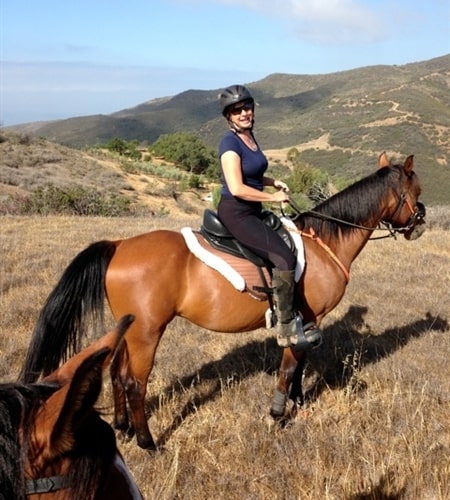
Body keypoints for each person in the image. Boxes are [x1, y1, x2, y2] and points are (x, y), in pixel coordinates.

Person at [217, 84, 304, 348]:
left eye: (247, 107)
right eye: (237, 110)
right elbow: (237, 187)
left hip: (252, 208)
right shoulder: (229, 143)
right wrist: (273, 198)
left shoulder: (250, 136)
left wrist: (272, 181)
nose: (244, 113)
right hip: (237, 211)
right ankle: (285, 324)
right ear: (229, 116)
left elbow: (251, 174)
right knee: (284, 257)